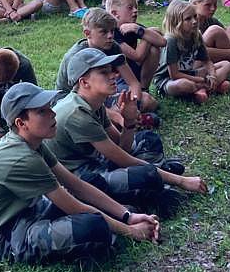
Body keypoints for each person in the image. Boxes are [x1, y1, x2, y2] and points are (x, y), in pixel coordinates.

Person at [0, 82, 160, 266]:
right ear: (21, 123)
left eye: (49, 107)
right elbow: (73, 206)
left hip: (31, 210)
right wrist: (131, 231)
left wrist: (127, 216)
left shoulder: (32, 142)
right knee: (93, 227)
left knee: (93, 187)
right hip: (7, 236)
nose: (52, 114)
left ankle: (118, 223)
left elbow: (77, 185)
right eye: (42, 111)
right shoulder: (22, 157)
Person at [47, 48, 207, 213]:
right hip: (80, 178)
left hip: (96, 162)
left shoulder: (94, 103)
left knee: (148, 139)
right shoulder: (77, 114)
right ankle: (149, 186)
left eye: (111, 70)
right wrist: (181, 181)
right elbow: (123, 159)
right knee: (146, 177)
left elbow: (123, 147)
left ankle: (154, 179)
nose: (114, 75)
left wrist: (129, 122)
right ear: (84, 82)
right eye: (104, 72)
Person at [154, 0, 230, 103]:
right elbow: (174, 74)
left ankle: (202, 89)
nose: (194, 21)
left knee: (227, 65)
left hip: (190, 73)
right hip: (168, 80)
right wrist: (201, 80)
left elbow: (207, 61)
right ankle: (208, 87)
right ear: (176, 22)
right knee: (184, 85)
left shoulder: (196, 35)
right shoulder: (171, 40)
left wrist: (212, 75)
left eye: (195, 16)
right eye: (188, 19)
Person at [105, 0, 166, 97]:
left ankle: (144, 88)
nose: (135, 10)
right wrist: (147, 33)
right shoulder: (111, 33)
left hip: (134, 69)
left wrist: (140, 30)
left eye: (136, 7)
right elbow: (137, 56)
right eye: (130, 8)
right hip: (120, 77)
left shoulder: (133, 27)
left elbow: (163, 42)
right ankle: (139, 91)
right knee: (151, 36)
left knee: (154, 49)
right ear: (115, 13)